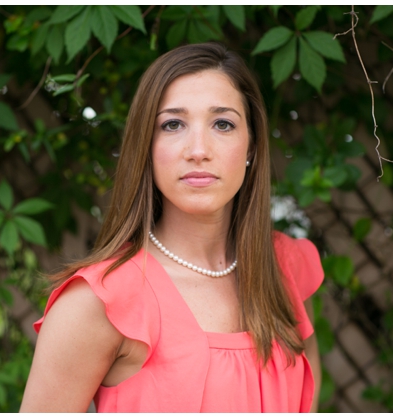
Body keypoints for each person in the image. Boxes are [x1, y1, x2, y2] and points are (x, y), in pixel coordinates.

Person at [20, 43, 323, 412]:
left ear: (252, 148)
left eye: (223, 124)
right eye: (173, 124)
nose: (198, 150)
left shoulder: (283, 267)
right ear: (146, 145)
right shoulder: (98, 303)